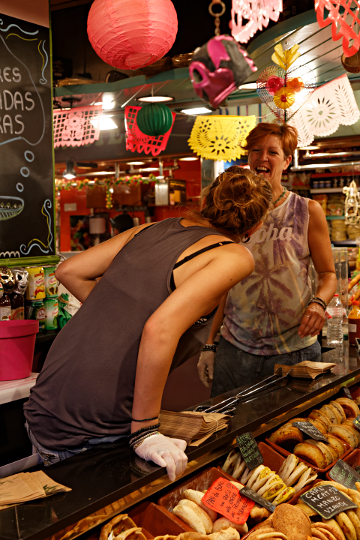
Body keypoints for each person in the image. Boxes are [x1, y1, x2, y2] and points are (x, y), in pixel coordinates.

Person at [24, 168, 272, 482]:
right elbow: (160, 329)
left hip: (46, 400)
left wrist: (117, 319)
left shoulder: (151, 229)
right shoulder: (235, 256)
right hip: (90, 423)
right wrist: (146, 431)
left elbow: (70, 271)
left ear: (206, 200)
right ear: (259, 224)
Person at [197, 123, 338, 397]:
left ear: (286, 161)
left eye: (272, 152)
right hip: (235, 349)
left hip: (295, 349)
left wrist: (319, 303)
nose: (263, 158)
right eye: (255, 150)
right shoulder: (232, 213)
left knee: (287, 432)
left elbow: (328, 274)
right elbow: (221, 285)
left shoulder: (307, 211)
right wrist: (209, 345)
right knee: (232, 433)